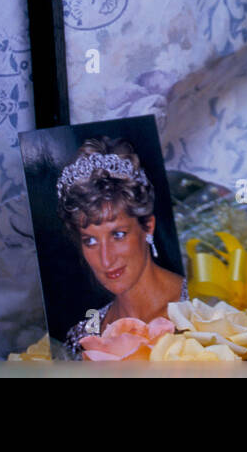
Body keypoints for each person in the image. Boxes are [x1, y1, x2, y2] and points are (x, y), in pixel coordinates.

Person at [57, 138, 187, 359]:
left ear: (148, 227)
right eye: (90, 241)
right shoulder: (84, 337)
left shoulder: (199, 308)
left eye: (117, 235)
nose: (106, 260)